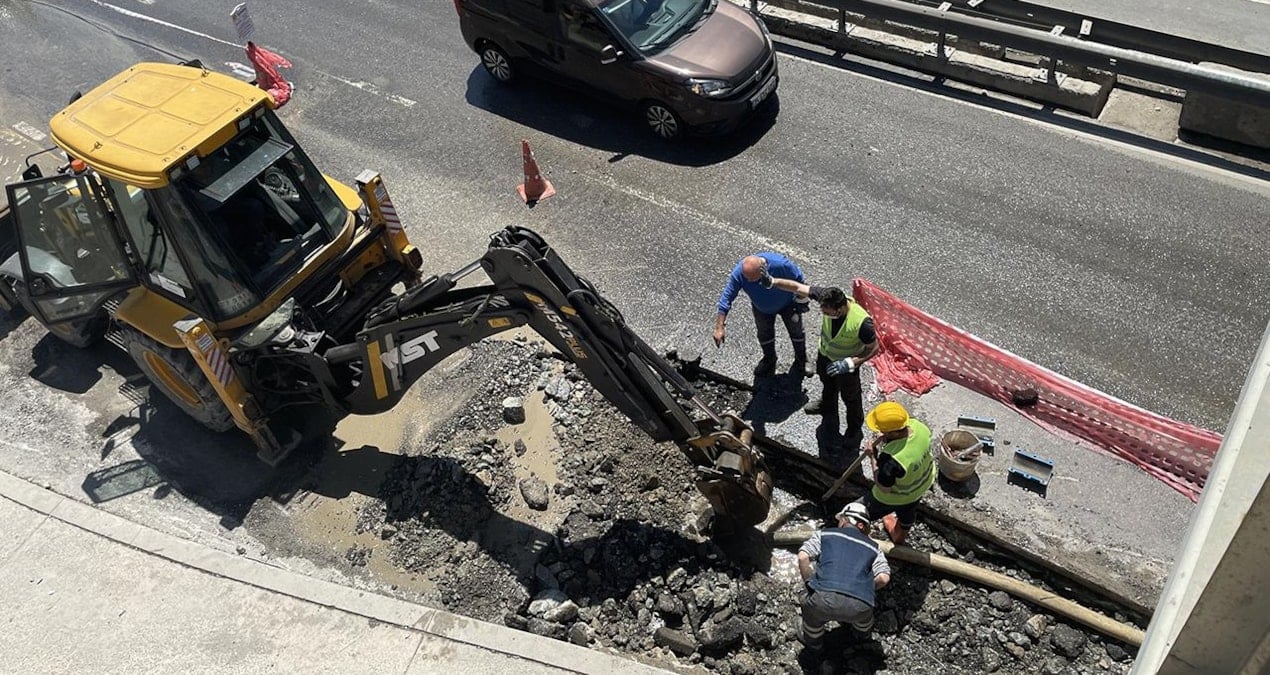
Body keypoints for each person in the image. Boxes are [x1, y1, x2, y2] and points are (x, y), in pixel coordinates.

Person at [764, 278, 879, 446]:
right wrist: (773, 281)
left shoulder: (862, 323)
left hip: (846, 366)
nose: (824, 314)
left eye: (827, 312)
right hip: (825, 356)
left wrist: (853, 362)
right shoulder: (826, 296)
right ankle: (826, 407)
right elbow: (796, 287)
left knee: (851, 397)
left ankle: (854, 429)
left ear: (839, 309)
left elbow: (874, 348)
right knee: (827, 384)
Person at [797, 501, 891, 650]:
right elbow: (884, 578)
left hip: (822, 601)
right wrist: (865, 590)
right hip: (860, 607)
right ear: (863, 527)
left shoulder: (826, 534)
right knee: (865, 617)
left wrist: (809, 583)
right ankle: (861, 636)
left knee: (809, 609)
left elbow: (803, 556)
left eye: (840, 519)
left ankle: (814, 644)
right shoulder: (874, 548)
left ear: (846, 520)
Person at [713, 253, 811, 378]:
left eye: (753, 279)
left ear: (763, 270)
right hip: (762, 309)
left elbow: (799, 280)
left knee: (796, 331)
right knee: (764, 334)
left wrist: (801, 301)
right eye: (746, 278)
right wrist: (719, 327)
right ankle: (769, 359)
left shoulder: (781, 265)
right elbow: (726, 298)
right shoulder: (740, 273)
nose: (748, 281)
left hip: (788, 304)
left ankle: (802, 359)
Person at [852, 401, 936, 546]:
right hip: (921, 486)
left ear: (894, 432)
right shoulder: (919, 427)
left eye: (884, 431)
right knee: (907, 514)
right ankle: (898, 537)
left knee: (853, 514)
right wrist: (886, 436)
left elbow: (884, 487)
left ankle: (858, 538)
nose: (880, 433)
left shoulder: (892, 458)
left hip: (896, 496)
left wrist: (873, 457)